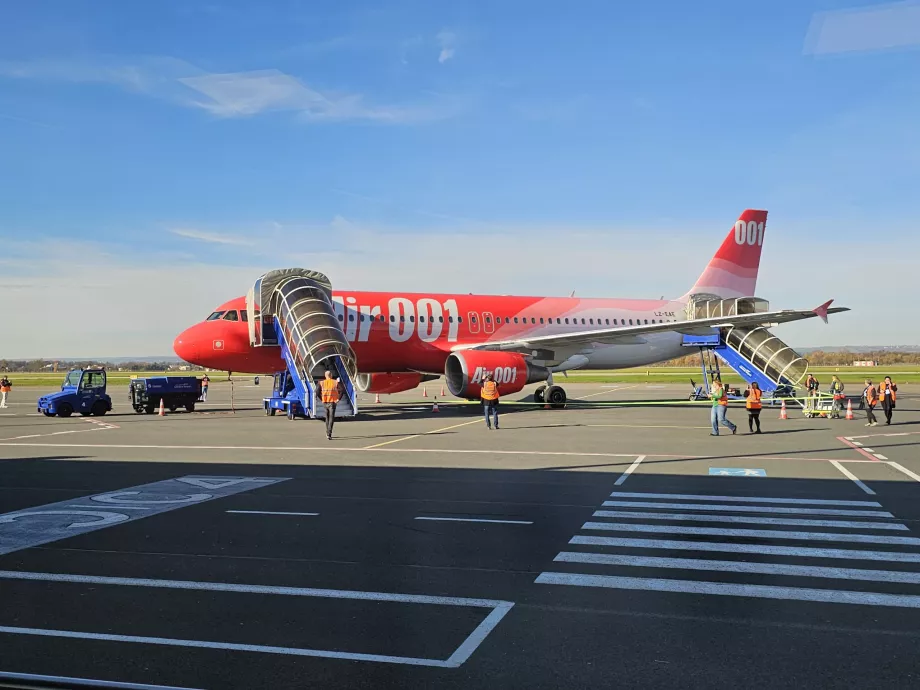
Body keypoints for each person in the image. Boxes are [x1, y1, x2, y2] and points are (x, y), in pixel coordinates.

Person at [320, 370, 342, 440]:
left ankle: (327, 431)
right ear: (331, 375)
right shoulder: (335, 382)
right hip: (332, 402)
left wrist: (321, 399)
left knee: (327, 417)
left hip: (325, 402)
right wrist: (338, 399)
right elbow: (341, 390)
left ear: (325, 376)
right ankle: (329, 433)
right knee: (331, 418)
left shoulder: (321, 383)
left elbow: (317, 392)